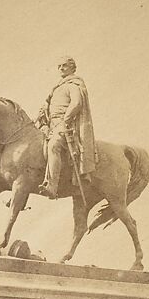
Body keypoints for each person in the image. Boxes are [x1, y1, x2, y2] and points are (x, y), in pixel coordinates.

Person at [37, 56, 97, 199]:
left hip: (65, 125)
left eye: (64, 65)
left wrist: (66, 120)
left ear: (72, 68)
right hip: (50, 124)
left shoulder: (74, 85)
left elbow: (76, 104)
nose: (61, 68)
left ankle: (52, 186)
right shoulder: (56, 88)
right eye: (59, 66)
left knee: (53, 146)